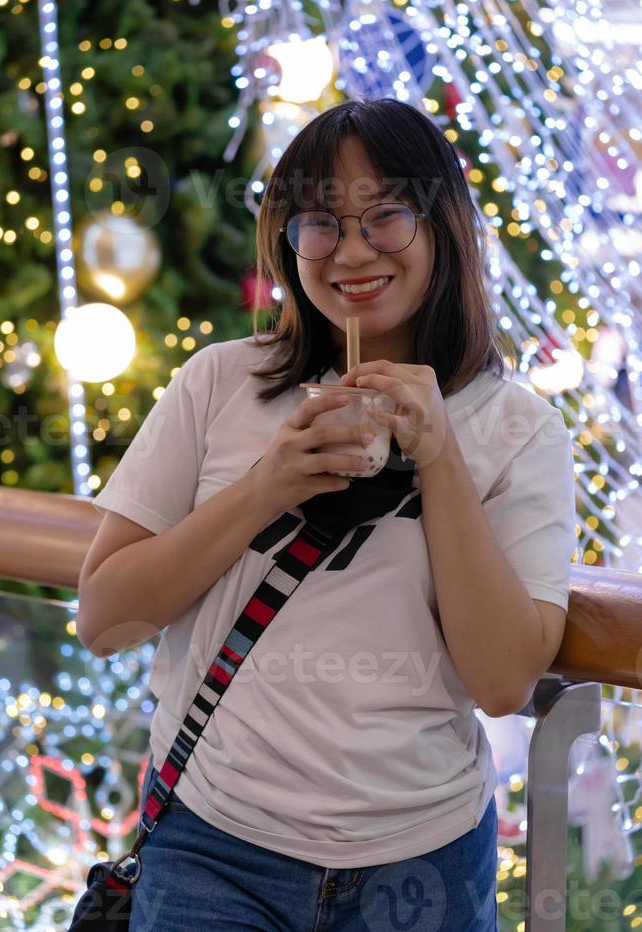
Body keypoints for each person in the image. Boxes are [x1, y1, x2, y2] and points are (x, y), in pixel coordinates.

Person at [79, 97, 577, 931]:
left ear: (443, 228)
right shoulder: (219, 383)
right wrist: (268, 485)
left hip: (422, 861)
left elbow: (501, 683)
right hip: (215, 844)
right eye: (320, 223)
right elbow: (105, 619)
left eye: (385, 218)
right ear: (288, 241)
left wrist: (441, 453)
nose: (350, 252)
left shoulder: (521, 430)